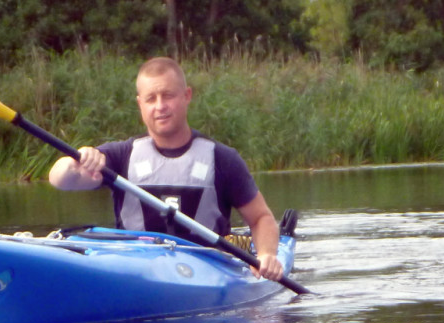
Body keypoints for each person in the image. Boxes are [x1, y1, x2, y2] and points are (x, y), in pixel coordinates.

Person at [48, 57, 283, 282]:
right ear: (140, 104)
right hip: (135, 269)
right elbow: (60, 180)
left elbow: (261, 217)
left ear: (186, 96)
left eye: (168, 96)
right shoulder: (120, 156)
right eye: (151, 99)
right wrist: (75, 161)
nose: (160, 106)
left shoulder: (222, 159)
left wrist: (266, 255)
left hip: (208, 269)